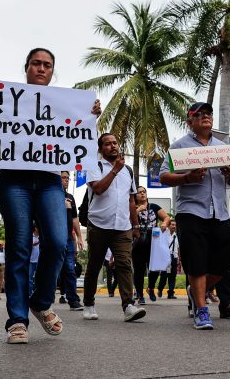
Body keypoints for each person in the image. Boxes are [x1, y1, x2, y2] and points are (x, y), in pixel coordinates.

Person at [0, 48, 102, 343]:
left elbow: (78, 138)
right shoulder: (5, 99)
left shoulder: (65, 105)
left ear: (52, 71)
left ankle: (41, 302)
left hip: (49, 182)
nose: (41, 69)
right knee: (19, 247)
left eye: (47, 65)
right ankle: (17, 320)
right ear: (27, 67)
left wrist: (89, 115)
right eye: (36, 64)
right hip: (13, 182)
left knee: (58, 242)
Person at [160, 102, 230, 330]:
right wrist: (187, 178)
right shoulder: (179, 147)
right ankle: (202, 311)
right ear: (190, 121)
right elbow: (164, 176)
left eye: (209, 113)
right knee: (196, 262)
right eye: (200, 114)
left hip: (220, 213)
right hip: (191, 212)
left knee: (225, 261)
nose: (206, 117)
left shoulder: (222, 147)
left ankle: (198, 292)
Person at [82, 133, 145, 322]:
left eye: (115, 143)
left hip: (122, 226)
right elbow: (99, 189)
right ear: (100, 149)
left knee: (125, 264)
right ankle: (88, 303)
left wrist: (135, 225)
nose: (113, 146)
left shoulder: (128, 171)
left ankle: (128, 306)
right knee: (94, 265)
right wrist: (115, 170)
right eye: (108, 144)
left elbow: (131, 200)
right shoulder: (95, 166)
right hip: (99, 224)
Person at [132, 186, 170, 304]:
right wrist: (138, 210)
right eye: (139, 192)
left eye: (144, 192)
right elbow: (126, 220)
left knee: (155, 268)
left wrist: (164, 223)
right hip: (138, 241)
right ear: (136, 196)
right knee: (139, 270)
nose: (142, 194)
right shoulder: (132, 208)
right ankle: (139, 294)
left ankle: (151, 287)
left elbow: (167, 217)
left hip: (154, 241)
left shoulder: (153, 207)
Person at [58, 171, 84, 311]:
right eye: (63, 178)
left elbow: (74, 219)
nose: (66, 180)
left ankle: (73, 300)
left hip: (68, 238)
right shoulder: (50, 195)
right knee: (50, 269)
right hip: (53, 237)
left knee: (70, 269)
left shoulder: (70, 197)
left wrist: (79, 237)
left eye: (68, 178)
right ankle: (43, 299)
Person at [156, 220, 179, 299]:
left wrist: (179, 259)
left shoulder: (176, 236)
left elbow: (178, 248)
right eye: (172, 224)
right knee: (164, 276)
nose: (174, 226)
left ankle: (171, 294)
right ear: (169, 226)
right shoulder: (165, 235)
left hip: (174, 258)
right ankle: (160, 289)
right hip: (166, 258)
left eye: (175, 225)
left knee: (173, 276)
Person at [29, 226, 39, 297]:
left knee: (39, 278)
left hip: (39, 261)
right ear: (35, 228)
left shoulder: (42, 236)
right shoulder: (29, 236)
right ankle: (30, 294)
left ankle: (38, 294)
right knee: (29, 278)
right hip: (31, 261)